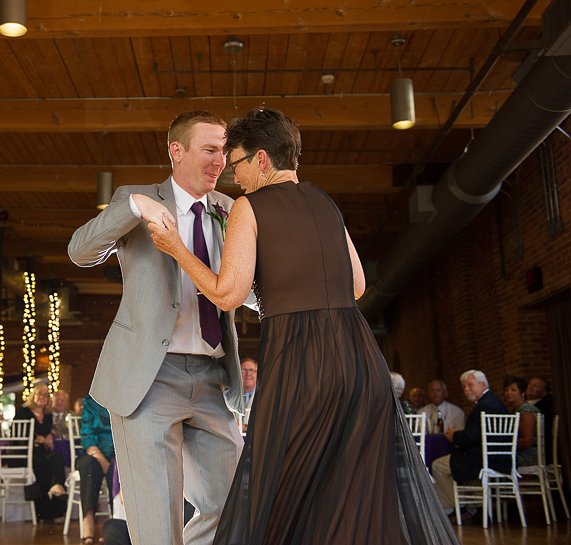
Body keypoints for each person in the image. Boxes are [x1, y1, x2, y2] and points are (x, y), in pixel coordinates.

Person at [149, 107, 457, 544]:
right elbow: (357, 284)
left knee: (279, 494)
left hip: (300, 362)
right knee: (350, 495)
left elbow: (227, 295)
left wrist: (176, 248)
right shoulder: (325, 201)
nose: (233, 175)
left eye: (236, 163)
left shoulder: (249, 208)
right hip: (360, 362)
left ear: (261, 159)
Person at [69, 109, 245, 545]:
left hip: (214, 377)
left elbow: (247, 287)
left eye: (224, 150)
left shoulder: (230, 209)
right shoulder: (136, 199)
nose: (220, 160)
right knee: (155, 521)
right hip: (149, 376)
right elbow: (80, 251)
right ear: (176, 151)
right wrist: (133, 206)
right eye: (210, 149)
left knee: (235, 506)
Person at [431, 370, 509, 523]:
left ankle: (459, 509)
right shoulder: (493, 401)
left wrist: (455, 435)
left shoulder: (484, 405)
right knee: (460, 462)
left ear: (483, 384)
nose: (467, 389)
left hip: (486, 458)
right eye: (464, 386)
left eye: (470, 385)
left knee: (438, 465)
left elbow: (472, 436)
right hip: (496, 456)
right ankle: (476, 508)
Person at [15, 382, 68, 521]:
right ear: (33, 395)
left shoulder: (48, 415)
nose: (43, 397)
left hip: (38, 452)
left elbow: (47, 432)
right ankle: (45, 513)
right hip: (23, 453)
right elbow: (21, 434)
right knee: (43, 465)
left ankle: (57, 487)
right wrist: (41, 439)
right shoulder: (24, 411)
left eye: (46, 395)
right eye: (40, 393)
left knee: (56, 456)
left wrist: (49, 435)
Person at [77, 395, 115, 544]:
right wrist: (100, 458)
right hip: (93, 451)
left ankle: (115, 528)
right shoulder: (90, 402)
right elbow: (87, 434)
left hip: (116, 453)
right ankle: (88, 522)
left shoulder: (123, 400)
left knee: (116, 469)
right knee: (88, 466)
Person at [504, 376, 541, 468]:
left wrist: (504, 444)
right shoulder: (512, 410)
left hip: (528, 455)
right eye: (506, 390)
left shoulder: (525, 410)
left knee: (491, 459)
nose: (509, 393)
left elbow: (527, 441)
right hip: (517, 452)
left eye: (513, 390)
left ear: (522, 393)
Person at [527, 375, 555, 463]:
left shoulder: (543, 408)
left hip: (538, 447)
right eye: (530, 384)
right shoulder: (523, 405)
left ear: (544, 393)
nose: (531, 387)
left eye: (536, 386)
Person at [240, 358, 257, 431]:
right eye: (244, 370)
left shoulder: (264, 397)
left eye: (251, 370)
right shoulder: (229, 395)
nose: (248, 374)